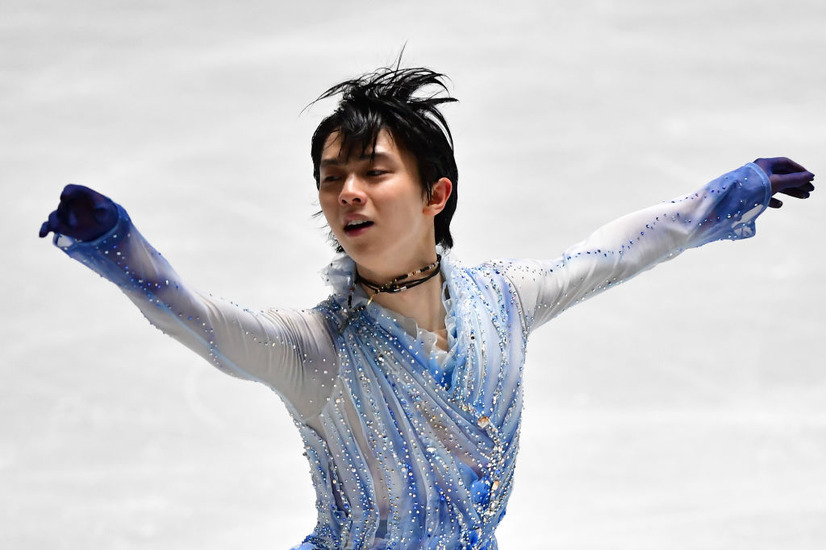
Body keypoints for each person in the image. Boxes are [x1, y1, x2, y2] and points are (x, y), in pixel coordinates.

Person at [39, 66, 815, 550]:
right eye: (331, 176)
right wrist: (118, 247)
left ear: (435, 194)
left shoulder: (503, 300)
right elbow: (200, 322)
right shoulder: (317, 351)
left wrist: (727, 195)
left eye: (372, 171)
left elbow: (616, 252)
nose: (347, 191)